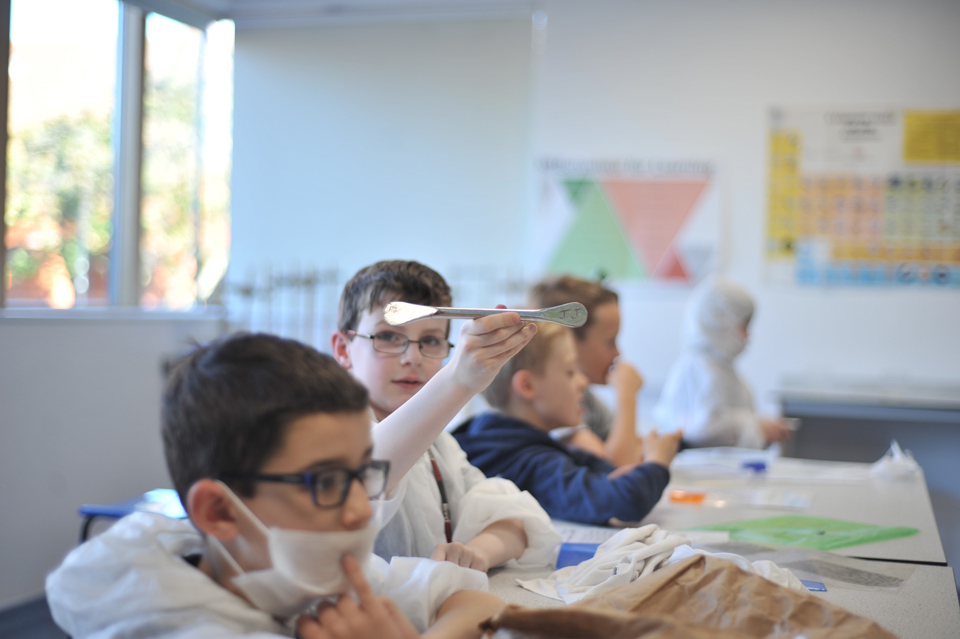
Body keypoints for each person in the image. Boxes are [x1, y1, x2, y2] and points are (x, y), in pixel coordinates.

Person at [46, 332, 529, 639]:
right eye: (327, 482)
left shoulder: (296, 578)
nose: (364, 509)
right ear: (220, 511)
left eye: (363, 473)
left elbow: (473, 599)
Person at [332, 260, 560, 571]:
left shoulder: (440, 445)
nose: (412, 357)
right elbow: (362, 480)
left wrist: (476, 553)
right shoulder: (325, 434)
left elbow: (513, 516)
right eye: (387, 337)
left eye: (430, 341)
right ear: (343, 349)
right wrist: (457, 381)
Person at [453, 323, 682, 526]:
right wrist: (657, 462)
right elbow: (623, 502)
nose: (583, 382)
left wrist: (623, 473)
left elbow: (601, 473)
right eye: (570, 371)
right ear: (527, 386)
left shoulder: (504, 437)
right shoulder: (529, 460)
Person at [652, 276, 794, 448]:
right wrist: (754, 427)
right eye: (743, 325)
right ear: (719, 321)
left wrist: (759, 429)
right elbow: (698, 429)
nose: (748, 336)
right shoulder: (698, 367)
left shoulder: (722, 369)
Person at [528, 275, 644, 467]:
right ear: (567, 338)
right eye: (609, 341)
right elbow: (618, 470)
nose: (618, 352)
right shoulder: (555, 404)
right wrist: (627, 396)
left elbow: (638, 451)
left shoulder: (588, 399)